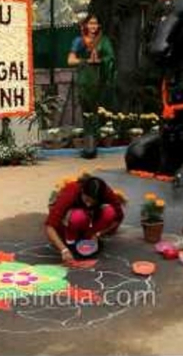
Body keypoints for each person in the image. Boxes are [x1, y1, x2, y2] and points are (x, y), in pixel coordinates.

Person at [45, 175, 125, 262]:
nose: (89, 205)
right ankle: (70, 241)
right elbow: (50, 226)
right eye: (87, 200)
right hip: (68, 224)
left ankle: (89, 237)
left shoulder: (106, 192)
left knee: (109, 211)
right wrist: (63, 250)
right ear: (82, 191)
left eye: (93, 202)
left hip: (91, 221)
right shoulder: (71, 191)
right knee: (78, 216)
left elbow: (118, 217)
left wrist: (99, 233)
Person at [67, 14, 116, 158]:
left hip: (100, 78)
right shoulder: (79, 41)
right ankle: (89, 141)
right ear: (85, 25)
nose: (93, 26)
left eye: (96, 23)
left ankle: (94, 140)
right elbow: (70, 60)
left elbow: (110, 58)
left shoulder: (104, 41)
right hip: (85, 79)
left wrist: (101, 60)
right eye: (91, 23)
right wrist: (86, 61)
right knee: (87, 110)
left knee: (98, 109)